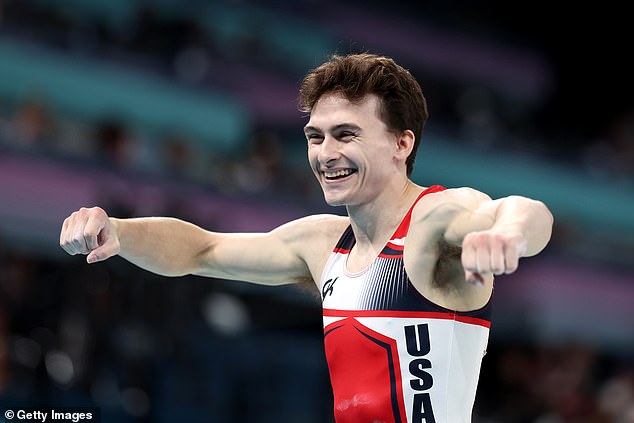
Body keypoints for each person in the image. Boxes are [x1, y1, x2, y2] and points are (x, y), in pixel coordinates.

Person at [60, 53, 554, 423]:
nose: (325, 154)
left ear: (403, 143)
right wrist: (119, 231)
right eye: (315, 137)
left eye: (347, 134)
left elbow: (522, 211)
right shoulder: (322, 244)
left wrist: (506, 234)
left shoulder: (432, 222)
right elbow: (200, 248)